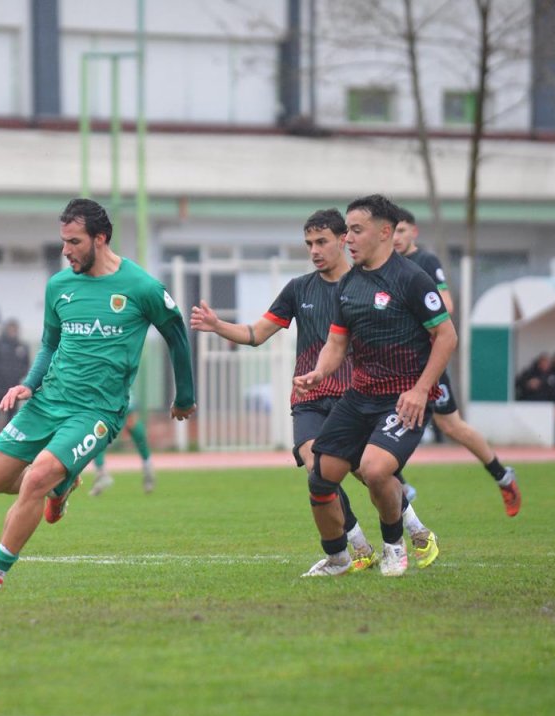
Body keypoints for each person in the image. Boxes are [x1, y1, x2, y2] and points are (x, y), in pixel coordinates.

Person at [0, 198, 196, 592]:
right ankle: (60, 485)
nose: (65, 251)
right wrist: (28, 384)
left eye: (73, 242)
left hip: (97, 410)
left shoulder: (141, 287)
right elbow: (49, 345)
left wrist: (184, 395)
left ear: (100, 238)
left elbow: (176, 335)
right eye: (63, 242)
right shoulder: (59, 286)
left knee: (35, 476)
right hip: (47, 401)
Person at [191, 208, 439, 576]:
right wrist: (217, 325)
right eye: (308, 243)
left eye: (322, 241)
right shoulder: (299, 289)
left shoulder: (365, 286)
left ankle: (413, 528)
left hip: (353, 395)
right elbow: (257, 334)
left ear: (343, 240)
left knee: (367, 472)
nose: (314, 250)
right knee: (318, 469)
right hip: (308, 397)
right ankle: (355, 546)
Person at [292, 195, 456, 577]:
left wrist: (420, 390)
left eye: (356, 229)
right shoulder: (349, 284)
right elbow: (336, 343)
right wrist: (319, 373)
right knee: (320, 477)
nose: (348, 237)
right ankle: (338, 557)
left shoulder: (413, 279)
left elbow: (446, 337)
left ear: (385, 232)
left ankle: (393, 545)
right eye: (347, 229)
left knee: (375, 469)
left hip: (402, 399)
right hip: (359, 396)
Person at [392, 207, 521, 516]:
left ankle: (502, 475)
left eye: (402, 231)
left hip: (424, 363)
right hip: (394, 364)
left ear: (414, 232)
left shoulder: (425, 262)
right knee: (375, 418)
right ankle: (398, 482)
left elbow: (445, 305)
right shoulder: (384, 265)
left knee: (451, 425)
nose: (396, 237)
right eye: (392, 231)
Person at [88, 396, 156, 496]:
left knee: (132, 422)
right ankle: (101, 473)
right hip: (101, 392)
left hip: (117, 389)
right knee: (97, 430)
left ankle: (148, 467)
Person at [0, 318, 30, 439]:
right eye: (10, 328)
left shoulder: (22, 346)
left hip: (13, 386)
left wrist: (18, 374)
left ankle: (7, 438)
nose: (13, 331)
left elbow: (26, 365)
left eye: (15, 329)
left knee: (12, 414)